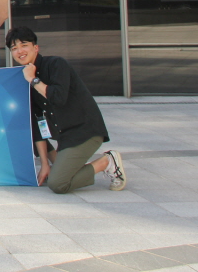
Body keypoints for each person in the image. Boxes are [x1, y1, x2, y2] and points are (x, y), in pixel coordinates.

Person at [8, 26, 126, 193]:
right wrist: (44, 164)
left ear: (36, 47)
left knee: (58, 184)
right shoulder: (25, 77)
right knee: (28, 131)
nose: (19, 51)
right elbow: (37, 121)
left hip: (84, 132)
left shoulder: (56, 64)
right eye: (14, 48)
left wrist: (33, 80)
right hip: (64, 136)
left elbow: (58, 98)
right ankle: (61, 166)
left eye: (24, 45)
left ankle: (107, 161)